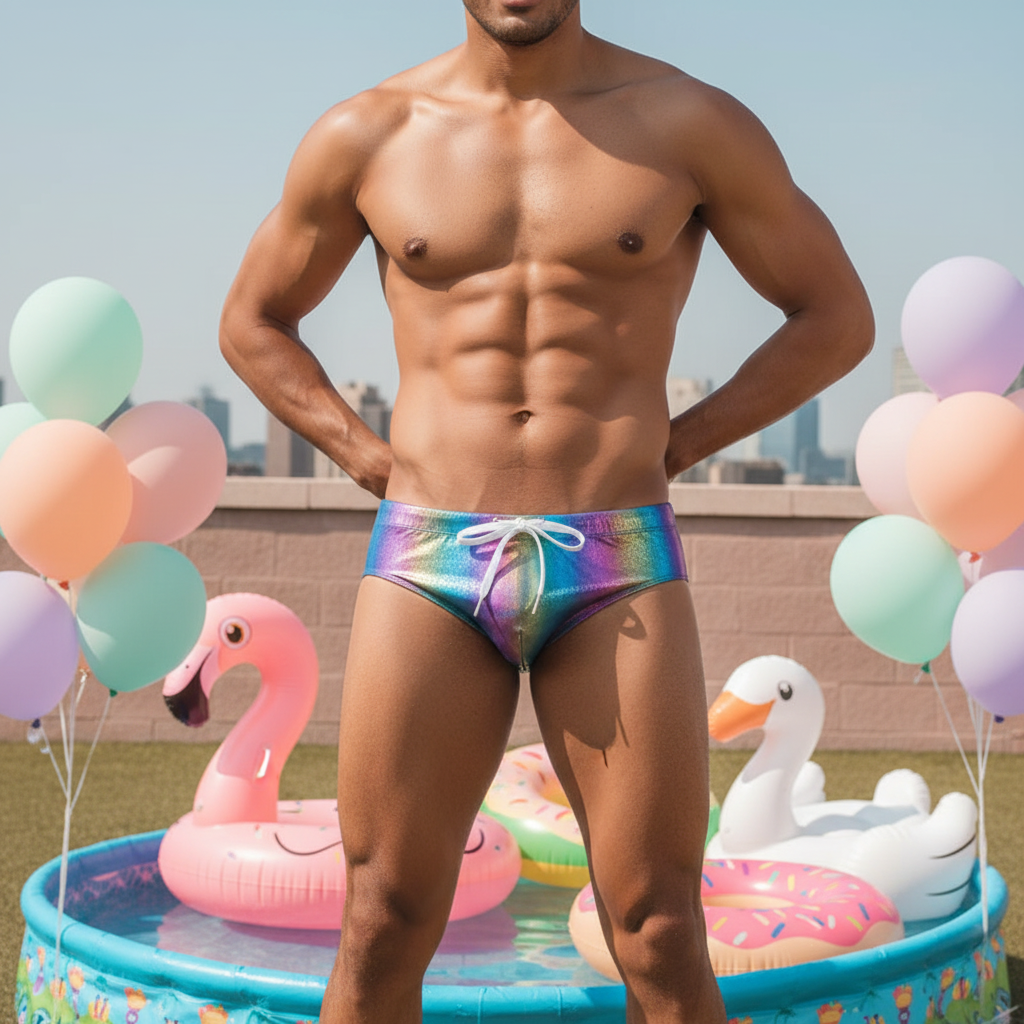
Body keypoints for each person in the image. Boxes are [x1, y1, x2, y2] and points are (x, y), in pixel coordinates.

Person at [220, 2, 873, 1020]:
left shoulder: (688, 122)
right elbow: (253, 321)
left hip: (615, 554)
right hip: (430, 552)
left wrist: (678, 443)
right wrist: (365, 455)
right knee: (382, 914)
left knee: (658, 928)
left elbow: (835, 315)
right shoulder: (369, 132)